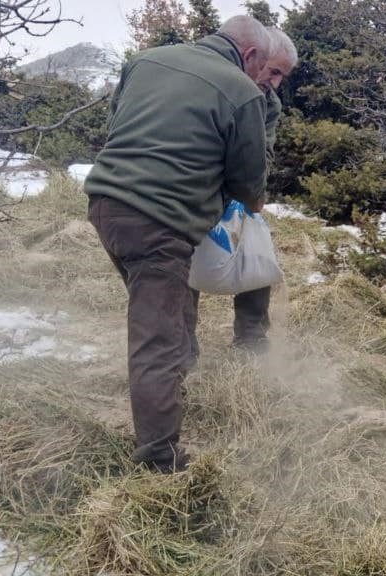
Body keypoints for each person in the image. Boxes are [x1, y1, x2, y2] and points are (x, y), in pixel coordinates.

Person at [84, 15, 273, 474]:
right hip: (159, 222)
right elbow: (248, 184)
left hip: (105, 203)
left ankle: (176, 385)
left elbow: (117, 127)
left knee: (166, 313)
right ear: (249, 56)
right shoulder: (241, 90)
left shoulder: (144, 61)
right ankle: (159, 460)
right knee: (157, 340)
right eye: (261, 67)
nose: (260, 78)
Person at [227, 26, 297, 353]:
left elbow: (263, 152)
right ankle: (182, 342)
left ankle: (251, 336)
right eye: (273, 71)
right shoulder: (222, 84)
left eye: (282, 76)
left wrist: (252, 194)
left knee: (257, 249)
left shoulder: (270, 103)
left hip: (240, 185)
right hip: (198, 183)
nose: (275, 83)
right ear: (254, 58)